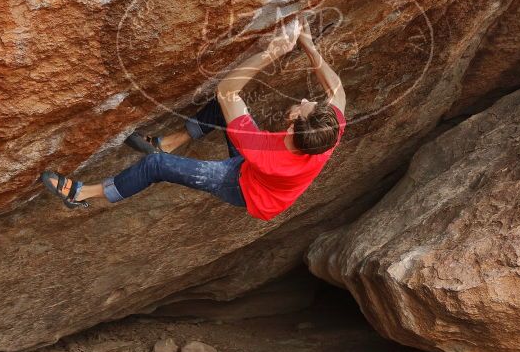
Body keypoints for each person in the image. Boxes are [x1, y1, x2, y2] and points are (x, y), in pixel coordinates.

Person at [41, 15, 347, 221]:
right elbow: (336, 90)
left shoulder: (262, 151)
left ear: (293, 125)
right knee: (224, 111)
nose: (306, 100)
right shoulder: (327, 132)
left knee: (155, 165)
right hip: (263, 169)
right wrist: (308, 44)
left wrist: (274, 50)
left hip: (245, 188)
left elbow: (229, 90)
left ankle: (84, 194)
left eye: (304, 106)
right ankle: (170, 142)